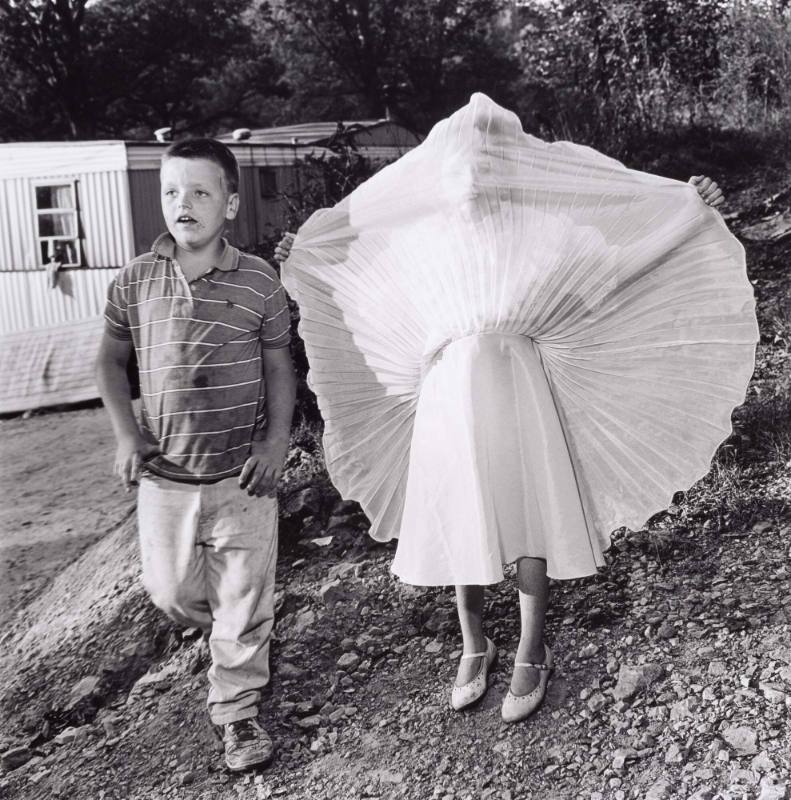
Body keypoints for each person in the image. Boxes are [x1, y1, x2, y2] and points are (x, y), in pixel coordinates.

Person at [274, 102, 743, 726]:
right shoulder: (422, 238)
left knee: (527, 509)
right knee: (459, 505)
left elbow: (614, 261)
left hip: (518, 383)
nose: (474, 174)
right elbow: (367, 285)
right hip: (447, 391)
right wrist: (306, 257)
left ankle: (530, 646)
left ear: (508, 165)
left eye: (488, 159)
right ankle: (474, 642)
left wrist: (687, 209)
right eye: (462, 162)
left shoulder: (537, 229)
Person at [96, 138, 296, 770]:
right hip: (167, 478)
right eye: (172, 191)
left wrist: (275, 442)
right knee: (170, 592)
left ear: (230, 204)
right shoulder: (134, 280)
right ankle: (232, 629)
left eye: (201, 192)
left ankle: (237, 709)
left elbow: (279, 366)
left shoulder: (259, 280)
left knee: (243, 596)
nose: (184, 203)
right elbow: (109, 362)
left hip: (244, 478)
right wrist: (126, 434)